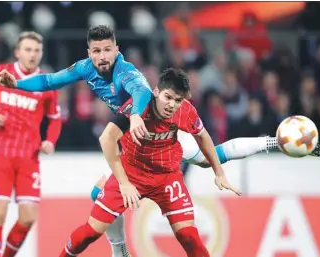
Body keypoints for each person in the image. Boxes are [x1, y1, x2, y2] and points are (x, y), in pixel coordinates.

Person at [0, 25, 320, 257]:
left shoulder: (129, 74)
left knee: (210, 157)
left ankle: (276, 142)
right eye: (96, 51)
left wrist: (136, 115)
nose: (102, 56)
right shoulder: (85, 68)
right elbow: (50, 80)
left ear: (117, 49)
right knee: (98, 193)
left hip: (161, 137)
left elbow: (139, 90)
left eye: (108, 49)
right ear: (90, 52)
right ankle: (119, 248)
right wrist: (16, 85)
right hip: (136, 145)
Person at [59, 68, 241, 257]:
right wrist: (124, 183)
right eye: (168, 97)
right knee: (90, 233)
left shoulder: (185, 111)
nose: (172, 105)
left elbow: (203, 137)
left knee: (189, 236)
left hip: (166, 177)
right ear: (155, 92)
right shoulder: (137, 106)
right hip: (131, 173)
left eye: (178, 100)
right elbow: (107, 139)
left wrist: (219, 172)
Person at [0, 31, 63, 257]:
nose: (32, 55)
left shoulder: (45, 84)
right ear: (17, 52)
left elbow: (55, 119)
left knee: (28, 217)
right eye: (28, 50)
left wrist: (49, 141)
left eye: (37, 50)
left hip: (29, 157)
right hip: (1, 152)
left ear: (41, 53)